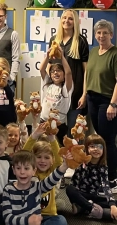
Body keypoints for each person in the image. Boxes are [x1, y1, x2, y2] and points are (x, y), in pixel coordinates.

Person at [80, 19, 117, 189]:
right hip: (92, 99)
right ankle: (100, 172)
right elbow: (88, 74)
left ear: (111, 34)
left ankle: (112, 177)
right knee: (97, 139)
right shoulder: (94, 51)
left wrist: (113, 105)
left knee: (107, 140)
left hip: (107, 101)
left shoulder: (115, 53)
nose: (101, 36)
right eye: (98, 33)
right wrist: (84, 94)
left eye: (105, 33)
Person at [49, 9, 89, 137]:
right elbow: (49, 67)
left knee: (74, 135)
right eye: (64, 18)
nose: (67, 21)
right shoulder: (54, 40)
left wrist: (84, 94)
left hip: (75, 95)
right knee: (54, 133)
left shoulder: (81, 41)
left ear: (76, 22)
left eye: (70, 18)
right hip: (56, 95)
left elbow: (86, 71)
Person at [1, 150, 70, 225]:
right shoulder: (8, 189)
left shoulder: (37, 187)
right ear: (13, 170)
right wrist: (27, 221)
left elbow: (52, 179)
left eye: (26, 168)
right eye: (18, 168)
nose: (22, 172)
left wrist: (65, 165)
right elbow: (7, 218)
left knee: (60, 220)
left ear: (34, 171)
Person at [66, 134, 117, 221]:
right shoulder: (82, 163)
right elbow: (74, 182)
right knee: (69, 189)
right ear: (86, 149)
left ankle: (83, 208)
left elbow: (106, 186)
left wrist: (112, 205)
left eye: (99, 147)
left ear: (103, 150)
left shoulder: (103, 167)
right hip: (81, 195)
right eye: (92, 146)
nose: (96, 149)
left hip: (94, 196)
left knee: (114, 203)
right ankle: (93, 210)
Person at [23, 124, 67, 225]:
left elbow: (59, 160)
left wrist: (52, 139)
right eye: (39, 157)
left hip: (49, 216)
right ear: (33, 158)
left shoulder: (52, 171)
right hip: (30, 215)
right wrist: (34, 135)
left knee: (61, 220)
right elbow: (23, 155)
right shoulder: (30, 171)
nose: (42, 161)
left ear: (52, 160)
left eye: (47, 158)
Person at [39, 47, 73, 145]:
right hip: (43, 121)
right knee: (42, 148)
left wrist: (62, 56)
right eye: (53, 71)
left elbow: (69, 73)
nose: (55, 73)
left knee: (57, 149)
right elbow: (42, 69)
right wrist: (48, 55)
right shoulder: (47, 84)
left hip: (58, 126)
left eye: (58, 71)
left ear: (63, 76)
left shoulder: (66, 89)